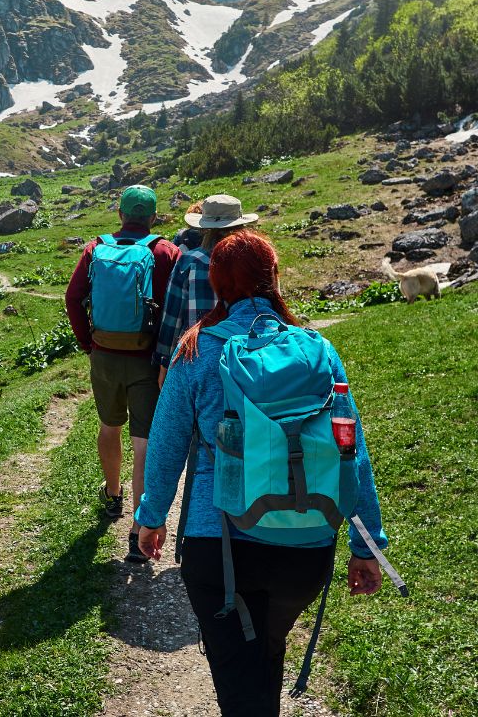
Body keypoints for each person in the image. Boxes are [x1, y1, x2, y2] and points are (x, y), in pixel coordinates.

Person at [135, 230, 387, 717]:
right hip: (306, 544)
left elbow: (166, 445)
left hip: (220, 544)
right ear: (274, 278)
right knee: (267, 654)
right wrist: (366, 545)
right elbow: (350, 449)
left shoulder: (196, 350)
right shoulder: (317, 350)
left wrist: (150, 517)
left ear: (217, 284)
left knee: (237, 682)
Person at [65, 185, 180, 563]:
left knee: (109, 425)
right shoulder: (163, 251)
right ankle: (137, 529)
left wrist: (89, 343)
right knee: (143, 443)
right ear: (152, 216)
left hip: (104, 355)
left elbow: (73, 297)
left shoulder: (95, 248)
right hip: (148, 360)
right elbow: (173, 308)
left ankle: (113, 495)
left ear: (120, 214)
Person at [153, 195, 258, 387]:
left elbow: (172, 317)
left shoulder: (190, 262)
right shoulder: (257, 261)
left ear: (205, 228)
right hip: (250, 356)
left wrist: (164, 362)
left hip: (199, 356)